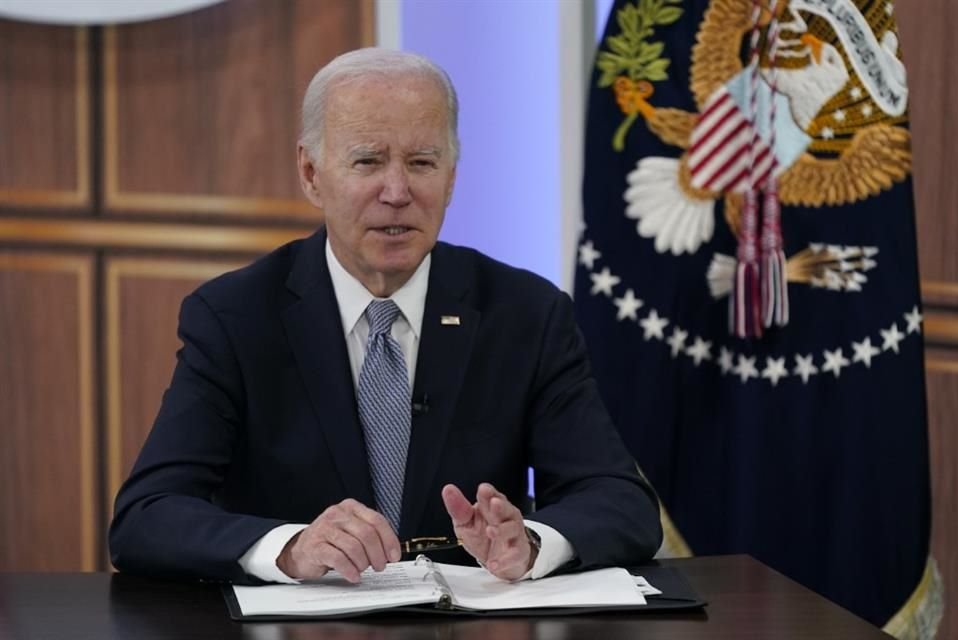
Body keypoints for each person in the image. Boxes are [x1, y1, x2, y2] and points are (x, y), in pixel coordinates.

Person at [109, 47, 662, 585]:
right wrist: (289, 548)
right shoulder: (234, 316)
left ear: (451, 177)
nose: (397, 192)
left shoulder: (526, 314)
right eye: (368, 161)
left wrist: (533, 542)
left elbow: (623, 503)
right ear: (310, 172)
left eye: (422, 163)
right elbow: (145, 516)